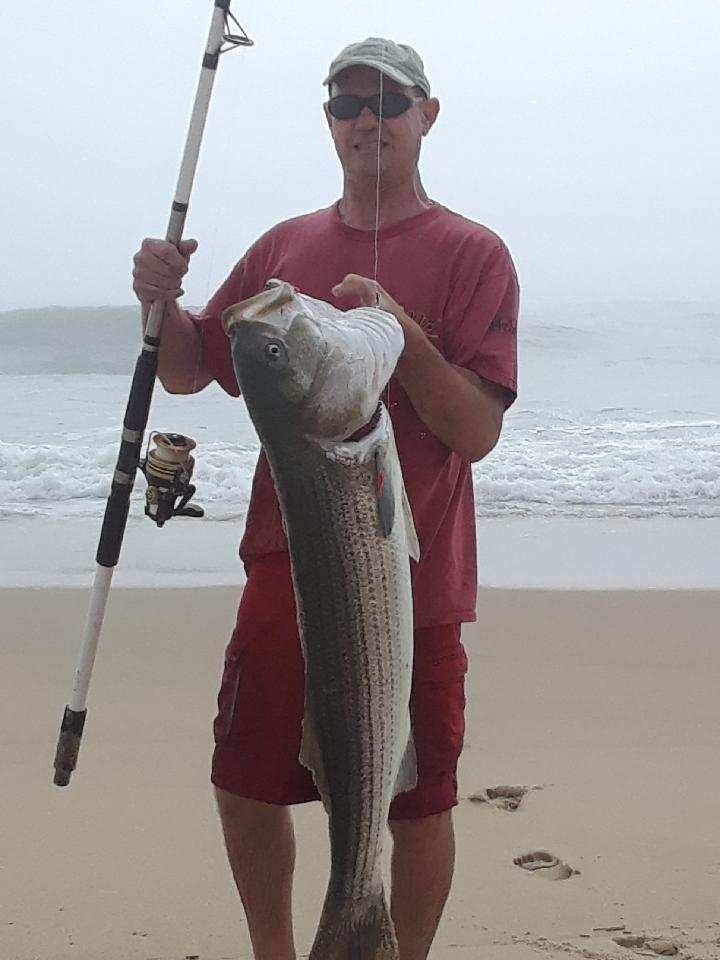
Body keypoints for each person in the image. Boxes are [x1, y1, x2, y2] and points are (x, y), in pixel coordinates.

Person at [132, 37, 519, 960]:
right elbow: (193, 369)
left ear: (427, 115)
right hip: (287, 561)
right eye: (345, 103)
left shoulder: (474, 254)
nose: (364, 119)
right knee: (245, 779)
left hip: (416, 581)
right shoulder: (285, 246)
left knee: (417, 800)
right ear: (328, 122)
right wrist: (159, 305)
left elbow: (477, 432)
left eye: (386, 100)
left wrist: (402, 342)